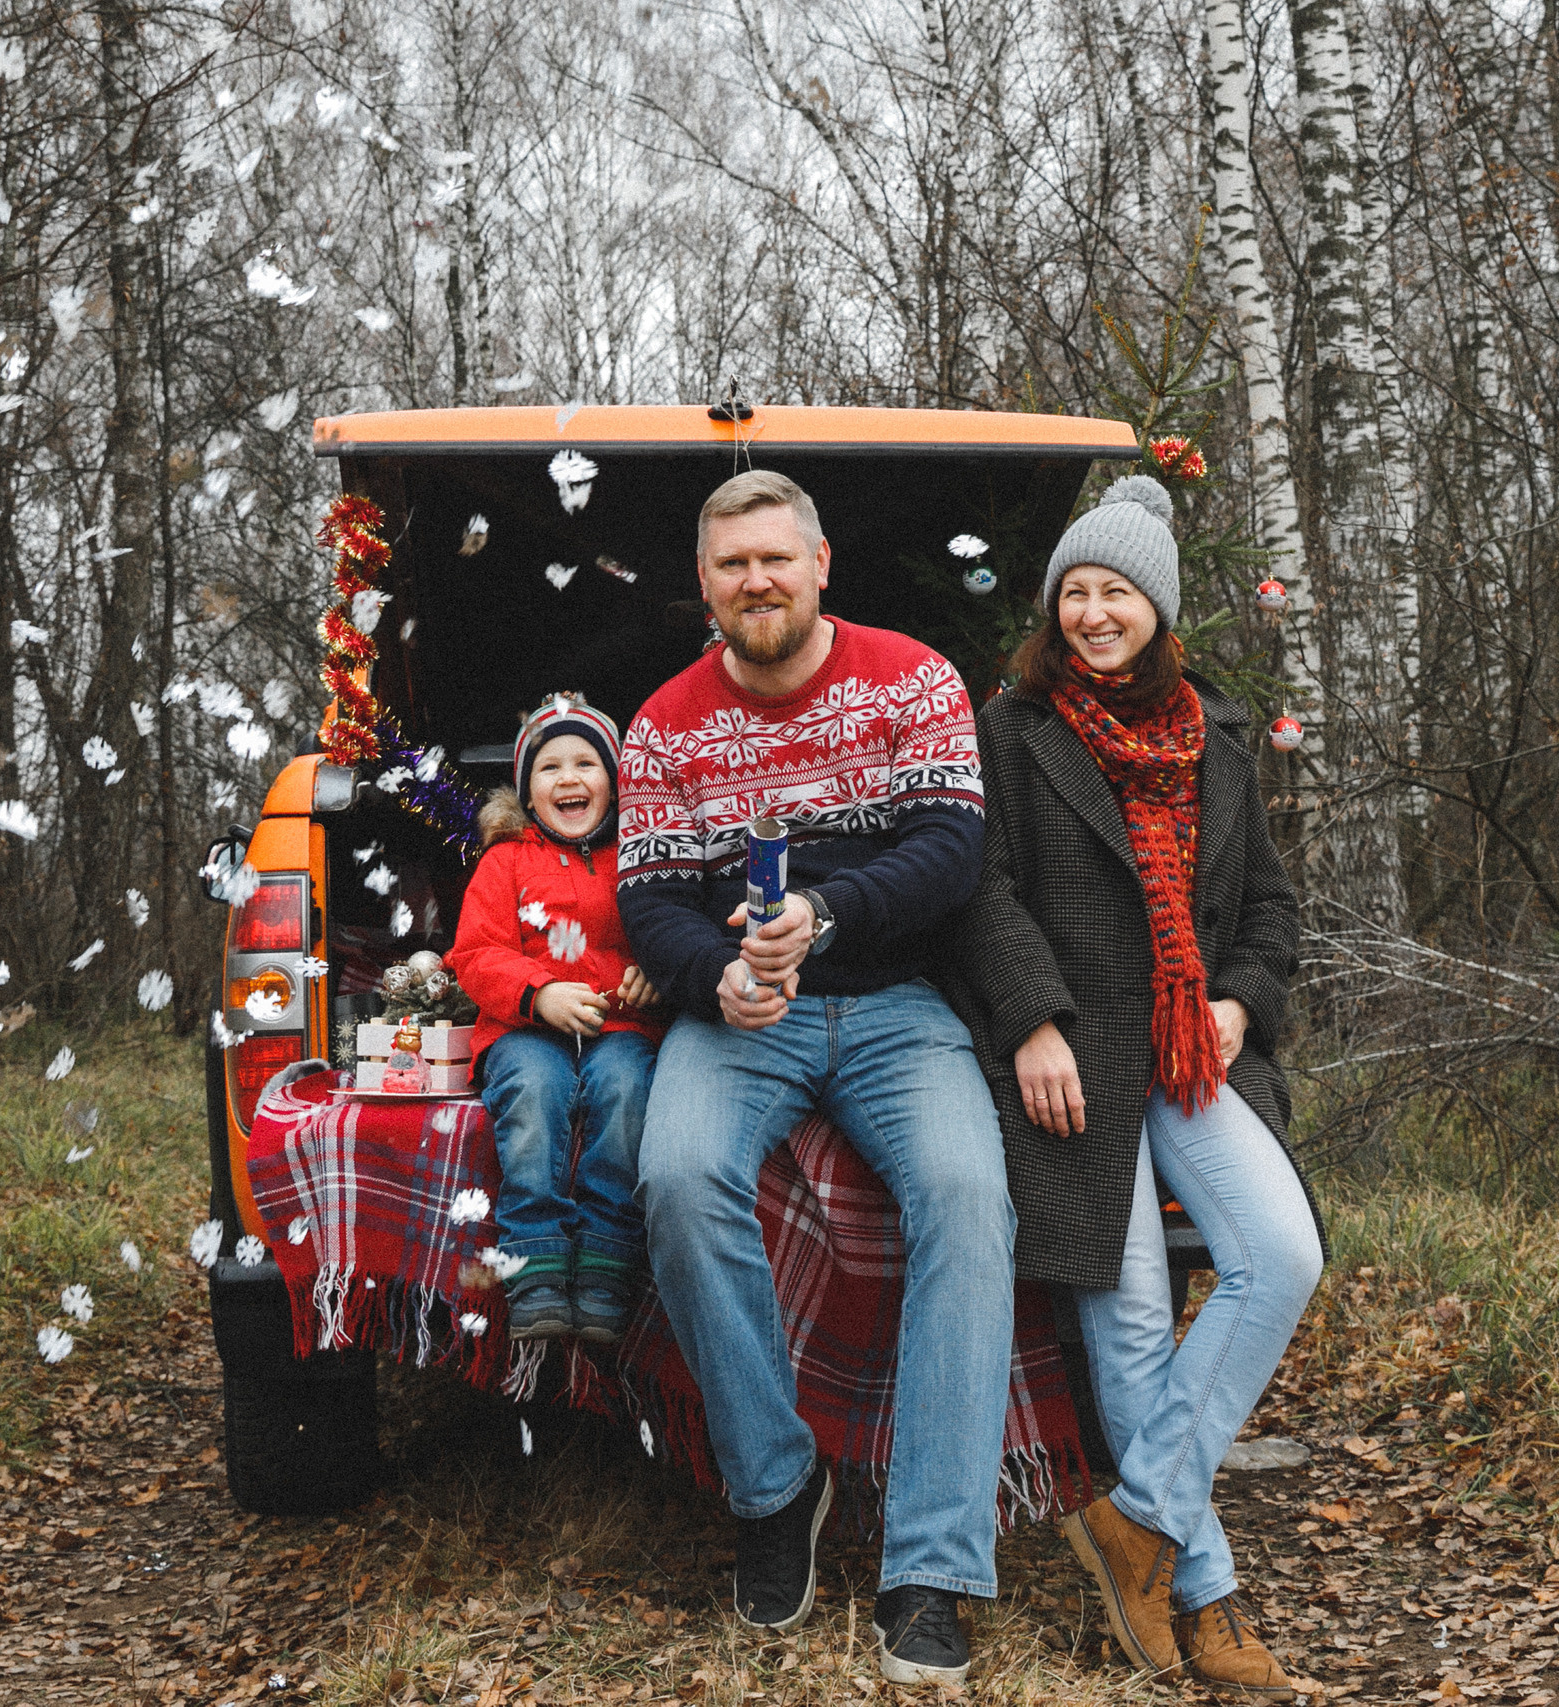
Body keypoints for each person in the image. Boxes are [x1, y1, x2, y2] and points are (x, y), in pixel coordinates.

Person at [617, 470, 1015, 1689]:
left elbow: (952, 846)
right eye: (733, 566)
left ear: (821, 563)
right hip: (746, 1018)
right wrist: (713, 983)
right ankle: (775, 1485)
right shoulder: (662, 723)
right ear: (705, 585)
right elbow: (648, 901)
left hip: (899, 1008)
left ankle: (932, 1566)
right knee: (676, 1175)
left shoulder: (912, 679)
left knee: (964, 1198)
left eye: (776, 559)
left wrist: (828, 914)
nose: (758, 582)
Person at [942, 474, 1325, 1697]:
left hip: (1192, 1054)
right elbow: (979, 895)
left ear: (1157, 609)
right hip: (1073, 1065)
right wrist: (1033, 1024)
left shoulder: (1212, 739)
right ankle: (1204, 1599)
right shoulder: (1010, 731)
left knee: (1284, 1255)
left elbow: (1267, 907)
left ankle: (1135, 1516)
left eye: (1116, 592)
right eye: (1075, 593)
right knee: (1131, 1315)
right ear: (1053, 610)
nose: (1093, 613)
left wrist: (1236, 1004)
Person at [447, 694, 667, 1345]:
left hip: (620, 1027)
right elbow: (476, 953)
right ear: (527, 790)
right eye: (548, 767)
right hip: (525, 1031)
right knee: (533, 1090)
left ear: (616, 780)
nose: (568, 778)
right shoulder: (505, 860)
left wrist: (654, 974)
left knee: (627, 1089)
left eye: (585, 762)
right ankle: (535, 1261)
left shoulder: (639, 856)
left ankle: (605, 1259)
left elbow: (668, 927)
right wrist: (538, 992)